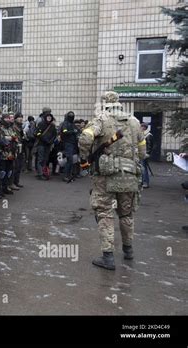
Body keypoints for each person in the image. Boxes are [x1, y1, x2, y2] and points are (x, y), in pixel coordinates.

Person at [79, 91, 146, 270]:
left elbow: (86, 137)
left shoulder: (101, 118)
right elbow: (142, 148)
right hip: (130, 174)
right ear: (118, 102)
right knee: (126, 213)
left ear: (105, 103)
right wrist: (137, 160)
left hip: (105, 176)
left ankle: (108, 257)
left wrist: (84, 159)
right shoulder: (134, 121)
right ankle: (128, 249)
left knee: (104, 213)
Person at [35, 112, 57, 180]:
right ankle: (40, 174)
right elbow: (38, 133)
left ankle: (44, 172)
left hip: (48, 145)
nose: (49, 119)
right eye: (48, 117)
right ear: (45, 118)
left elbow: (54, 134)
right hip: (41, 144)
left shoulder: (52, 126)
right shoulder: (41, 124)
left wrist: (51, 141)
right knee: (40, 159)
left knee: (46, 159)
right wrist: (45, 139)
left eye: (50, 118)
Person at [59, 111, 80, 182]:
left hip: (73, 144)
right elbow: (64, 131)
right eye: (70, 116)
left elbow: (77, 131)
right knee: (69, 160)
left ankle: (69, 175)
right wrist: (73, 132)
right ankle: (66, 176)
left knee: (72, 161)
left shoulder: (72, 124)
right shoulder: (65, 124)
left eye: (72, 116)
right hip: (68, 144)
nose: (71, 117)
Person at [140, 123, 154, 188]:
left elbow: (149, 146)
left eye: (141, 127)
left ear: (144, 128)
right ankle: (142, 181)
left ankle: (145, 182)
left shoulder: (148, 135)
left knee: (144, 168)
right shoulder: (143, 135)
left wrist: (147, 154)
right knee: (142, 168)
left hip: (144, 154)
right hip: (141, 153)